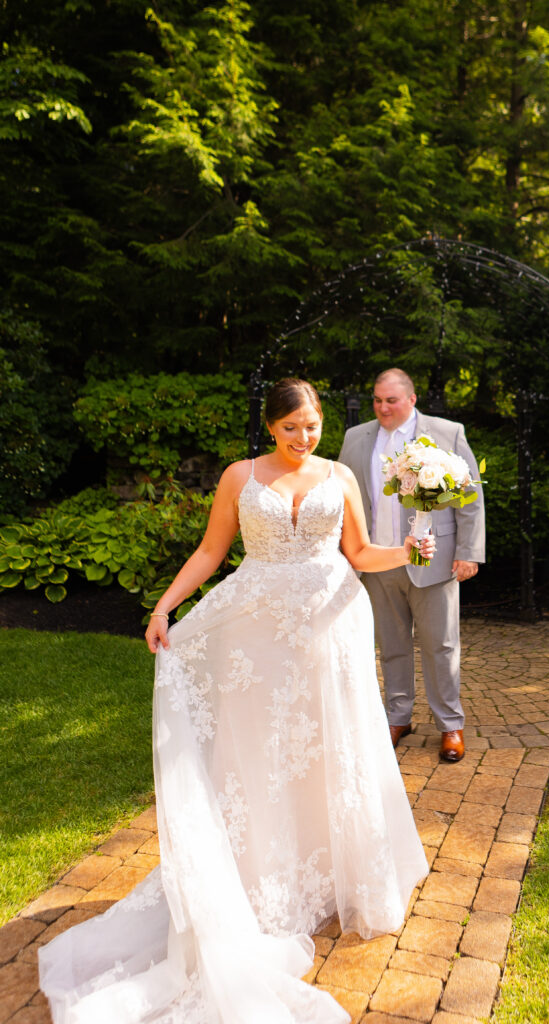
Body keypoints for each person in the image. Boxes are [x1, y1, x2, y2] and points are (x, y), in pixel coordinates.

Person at [38, 378, 433, 1024]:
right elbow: (210, 551)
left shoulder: (341, 474)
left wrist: (408, 550)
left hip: (331, 629)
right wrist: (165, 605)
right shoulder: (238, 477)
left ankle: (333, 872)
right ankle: (262, 880)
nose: (304, 439)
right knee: (263, 753)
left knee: (334, 746)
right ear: (269, 427)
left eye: (311, 426)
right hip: (257, 638)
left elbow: (358, 553)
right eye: (291, 429)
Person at [338, 368, 485, 763]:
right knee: (391, 647)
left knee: (441, 645)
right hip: (378, 561)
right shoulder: (356, 439)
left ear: (412, 399)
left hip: (433, 560)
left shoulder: (447, 433)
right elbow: (344, 501)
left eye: (391, 400)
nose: (382, 407)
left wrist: (469, 551)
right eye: (377, 400)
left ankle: (450, 725)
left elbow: (469, 496)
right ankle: (397, 717)